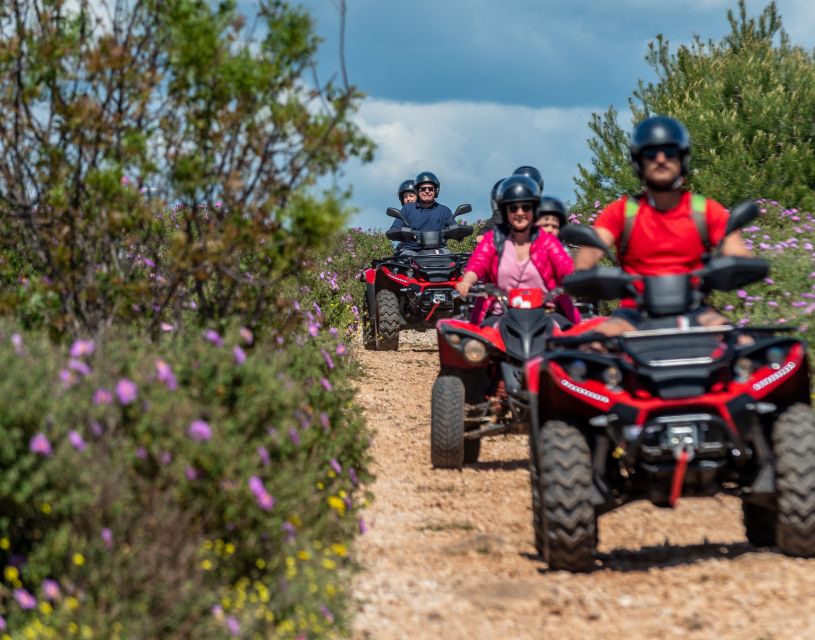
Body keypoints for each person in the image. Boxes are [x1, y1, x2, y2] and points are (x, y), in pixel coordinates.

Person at [574, 115, 753, 336]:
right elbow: (586, 257)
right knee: (592, 346)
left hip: (697, 311)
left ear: (682, 158)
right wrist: (588, 276)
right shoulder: (621, 212)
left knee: (742, 344)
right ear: (638, 161)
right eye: (651, 153)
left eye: (669, 152)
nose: (660, 159)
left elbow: (737, 252)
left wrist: (739, 266)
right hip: (633, 316)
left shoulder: (704, 210)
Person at [456, 175, 579, 325]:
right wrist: (467, 281)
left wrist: (577, 281)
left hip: (546, 315)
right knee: (474, 344)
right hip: (499, 315)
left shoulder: (548, 241)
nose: (520, 212)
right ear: (505, 211)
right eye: (513, 208)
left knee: (573, 340)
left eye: (526, 207)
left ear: (534, 210)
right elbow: (478, 263)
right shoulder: (493, 239)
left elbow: (564, 266)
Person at [389, 171, 455, 255]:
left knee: (453, 261)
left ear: (436, 191)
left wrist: (459, 230)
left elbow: (455, 228)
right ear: (417, 191)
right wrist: (405, 232)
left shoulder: (445, 211)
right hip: (411, 251)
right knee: (405, 260)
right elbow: (394, 229)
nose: (427, 191)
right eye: (423, 189)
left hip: (439, 251)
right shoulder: (407, 209)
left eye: (430, 189)